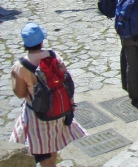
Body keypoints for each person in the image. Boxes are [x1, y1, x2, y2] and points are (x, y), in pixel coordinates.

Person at [10, 23, 87, 167]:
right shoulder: (54, 56)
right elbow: (65, 79)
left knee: (44, 158)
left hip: (37, 116)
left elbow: (20, 94)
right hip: (57, 112)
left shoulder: (20, 66)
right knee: (51, 149)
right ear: (41, 41)